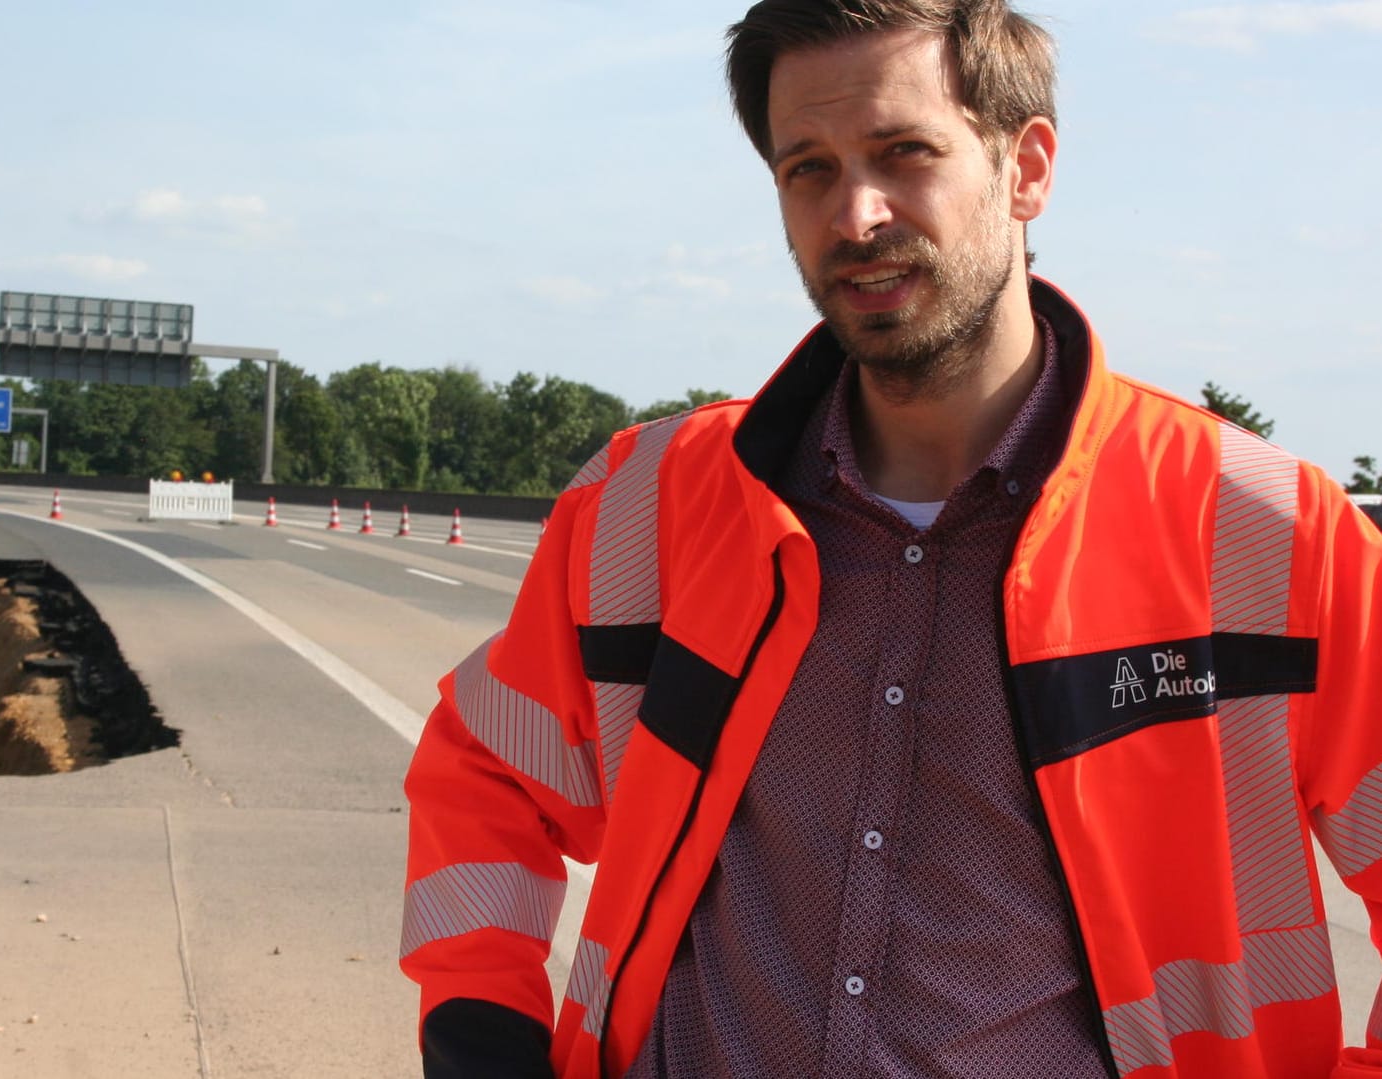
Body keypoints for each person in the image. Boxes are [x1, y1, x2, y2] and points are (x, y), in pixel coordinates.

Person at [399, 1, 1382, 1076]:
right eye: (807, 169)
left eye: (903, 153)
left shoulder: (1261, 527)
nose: (855, 213)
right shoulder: (649, 503)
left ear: (1026, 168)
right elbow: (487, 773)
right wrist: (482, 1031)